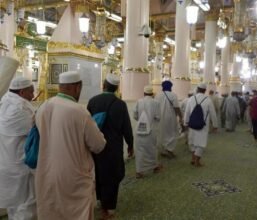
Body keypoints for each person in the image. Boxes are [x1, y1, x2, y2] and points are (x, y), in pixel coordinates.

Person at [35, 71, 106, 220]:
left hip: (46, 173)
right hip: (74, 177)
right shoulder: (79, 111)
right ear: (77, 87)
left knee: (52, 211)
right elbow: (98, 145)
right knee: (76, 213)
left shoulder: (43, 107)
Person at [87, 73, 134, 219]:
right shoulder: (120, 104)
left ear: (104, 85)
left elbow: (86, 125)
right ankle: (108, 208)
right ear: (116, 88)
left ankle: (101, 201)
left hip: (95, 146)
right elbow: (126, 127)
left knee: (98, 173)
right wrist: (130, 144)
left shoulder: (93, 101)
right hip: (113, 147)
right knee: (112, 176)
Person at [0, 77, 36, 220]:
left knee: (13, 205)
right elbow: (36, 130)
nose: (33, 95)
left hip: (5, 164)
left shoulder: (3, 104)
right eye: (31, 91)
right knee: (26, 204)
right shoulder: (21, 108)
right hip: (20, 166)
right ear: (23, 92)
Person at [184, 83, 218, 167]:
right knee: (201, 143)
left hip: (192, 124)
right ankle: (196, 161)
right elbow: (213, 114)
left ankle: (193, 158)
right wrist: (215, 125)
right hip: (203, 126)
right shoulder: (208, 99)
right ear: (205, 90)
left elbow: (187, 112)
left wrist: (185, 123)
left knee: (192, 143)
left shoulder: (191, 98)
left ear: (197, 89)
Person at [133, 85, 162, 179]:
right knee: (152, 149)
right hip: (151, 130)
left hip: (139, 130)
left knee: (139, 150)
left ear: (144, 93)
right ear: (152, 93)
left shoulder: (139, 101)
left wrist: (142, 120)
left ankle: (139, 171)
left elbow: (135, 115)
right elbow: (158, 117)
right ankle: (154, 167)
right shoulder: (156, 103)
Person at [155, 80, 183, 158]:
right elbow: (177, 108)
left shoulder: (158, 95)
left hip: (159, 118)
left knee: (162, 133)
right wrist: (180, 117)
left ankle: (164, 150)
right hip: (170, 118)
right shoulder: (173, 95)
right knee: (172, 133)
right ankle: (169, 150)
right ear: (170, 87)